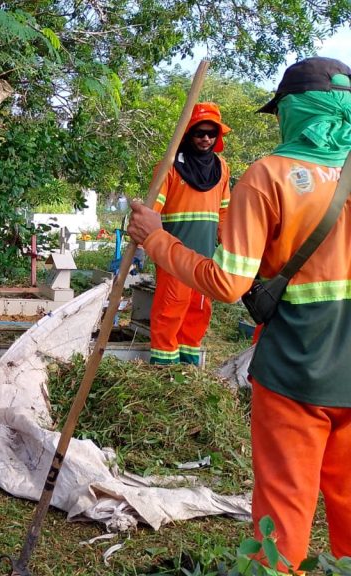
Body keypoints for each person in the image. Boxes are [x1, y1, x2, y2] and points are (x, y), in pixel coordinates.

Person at [127, 56, 351, 570]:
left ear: (292, 112)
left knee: (282, 516)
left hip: (296, 373)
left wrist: (156, 240)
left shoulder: (265, 176)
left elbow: (229, 284)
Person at [148, 102, 231, 366]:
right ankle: (163, 367)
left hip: (205, 257)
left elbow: (224, 212)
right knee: (171, 307)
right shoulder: (170, 166)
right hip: (174, 254)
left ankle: (188, 366)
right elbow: (152, 211)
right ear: (188, 134)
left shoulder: (222, 168)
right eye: (199, 132)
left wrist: (227, 246)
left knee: (199, 309)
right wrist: (146, 241)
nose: (205, 138)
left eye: (211, 133)